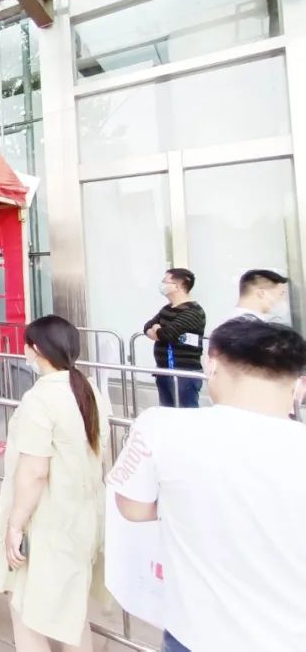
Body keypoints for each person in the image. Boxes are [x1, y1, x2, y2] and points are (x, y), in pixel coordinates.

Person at [108, 318, 306, 652]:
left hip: (195, 635)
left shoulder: (161, 427)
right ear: (300, 385)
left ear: (211, 365)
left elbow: (132, 507)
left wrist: (184, 503)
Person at [0, 315, 111, 652]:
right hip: (82, 518)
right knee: (71, 616)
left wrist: (15, 526)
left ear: (36, 349)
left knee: (26, 611)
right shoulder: (88, 389)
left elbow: (34, 471)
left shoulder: (40, 399)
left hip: (49, 524)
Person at [143, 268, 206, 408]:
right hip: (163, 371)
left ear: (177, 286)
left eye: (165, 282)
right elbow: (147, 326)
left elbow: (167, 334)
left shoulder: (193, 312)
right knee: (167, 413)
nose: (162, 285)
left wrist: (158, 330)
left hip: (184, 375)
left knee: (186, 415)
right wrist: (157, 331)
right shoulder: (167, 309)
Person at [223, 268, 289, 325]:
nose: (282, 299)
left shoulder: (231, 322)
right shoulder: (248, 326)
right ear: (262, 293)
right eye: (281, 294)